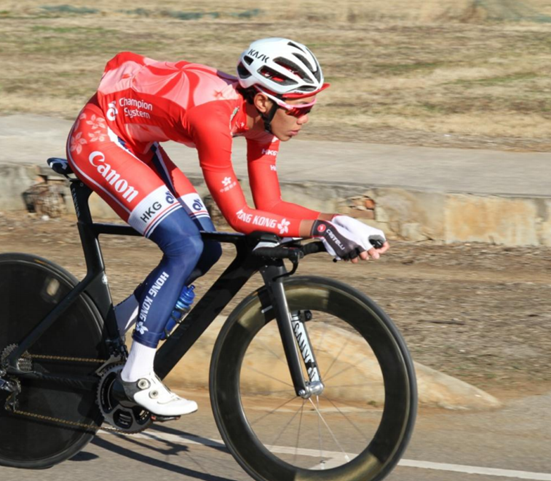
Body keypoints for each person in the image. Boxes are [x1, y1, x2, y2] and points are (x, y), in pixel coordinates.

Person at [66, 37, 389, 417]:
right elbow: (238, 216)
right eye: (299, 109)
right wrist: (318, 229)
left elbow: (268, 206)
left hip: (137, 143)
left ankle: (109, 329)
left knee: (208, 248)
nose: (305, 119)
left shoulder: (265, 122)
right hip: (98, 136)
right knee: (185, 246)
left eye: (311, 107)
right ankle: (137, 374)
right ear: (265, 101)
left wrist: (337, 222)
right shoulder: (212, 117)